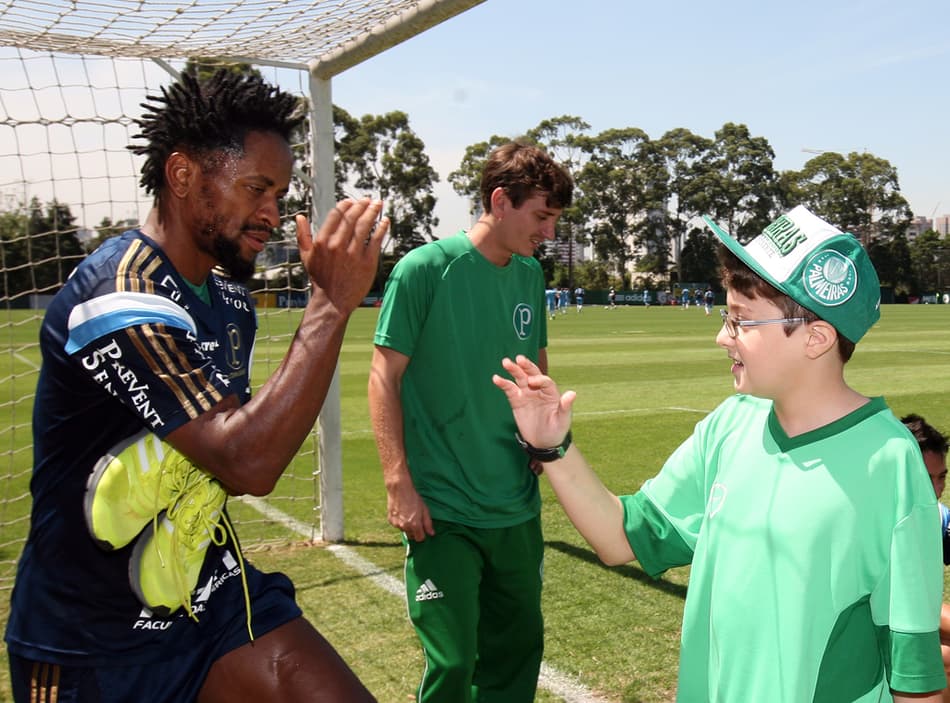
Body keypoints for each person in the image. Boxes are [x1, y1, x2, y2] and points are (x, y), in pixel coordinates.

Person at [4, 70, 388, 703]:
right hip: (93, 644)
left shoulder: (231, 298)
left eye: (281, 192)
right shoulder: (120, 295)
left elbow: (243, 437)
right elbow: (247, 461)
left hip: (211, 601)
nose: (273, 213)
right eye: (256, 189)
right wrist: (329, 305)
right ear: (183, 177)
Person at [493, 205, 946, 702]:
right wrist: (553, 446)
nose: (721, 336)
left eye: (740, 321)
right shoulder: (729, 426)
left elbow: (915, 673)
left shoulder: (890, 461)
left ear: (815, 338)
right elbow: (620, 538)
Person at [368, 140, 573, 703]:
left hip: (513, 504)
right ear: (501, 201)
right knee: (454, 664)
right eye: (542, 217)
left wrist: (541, 434)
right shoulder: (425, 269)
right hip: (442, 509)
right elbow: (383, 376)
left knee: (516, 655)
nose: (548, 234)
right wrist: (397, 481)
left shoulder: (530, 275)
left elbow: (536, 363)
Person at [901, 413, 950, 703]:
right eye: (926, 477)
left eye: (941, 477)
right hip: (871, 636)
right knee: (943, 659)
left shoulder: (936, 517)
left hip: (916, 618)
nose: (936, 489)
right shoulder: (872, 524)